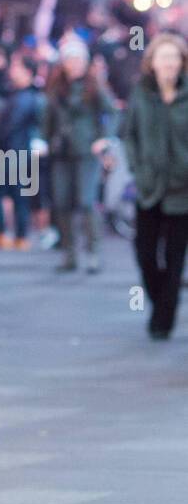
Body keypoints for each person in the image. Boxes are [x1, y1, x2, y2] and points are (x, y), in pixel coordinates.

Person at [123, 32, 188, 340]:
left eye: (174, 57)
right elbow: (129, 134)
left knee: (175, 260)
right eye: (164, 57)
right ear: (152, 62)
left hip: (182, 190)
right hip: (149, 188)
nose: (169, 64)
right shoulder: (141, 93)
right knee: (145, 255)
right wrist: (137, 168)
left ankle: (164, 318)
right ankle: (162, 300)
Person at [43, 39, 115, 273]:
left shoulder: (94, 86)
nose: (74, 64)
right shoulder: (56, 87)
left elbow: (113, 112)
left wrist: (104, 138)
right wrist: (43, 140)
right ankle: (69, 254)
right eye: (69, 59)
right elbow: (48, 119)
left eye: (77, 59)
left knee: (86, 202)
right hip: (61, 151)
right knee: (62, 202)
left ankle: (93, 253)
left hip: (86, 152)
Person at [0, 55, 44, 249]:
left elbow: (9, 127)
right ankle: (17, 235)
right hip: (15, 151)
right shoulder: (20, 94)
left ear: (27, 72)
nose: (12, 71)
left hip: (12, 152)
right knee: (18, 195)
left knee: (6, 194)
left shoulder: (26, 97)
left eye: (16, 67)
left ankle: (8, 234)